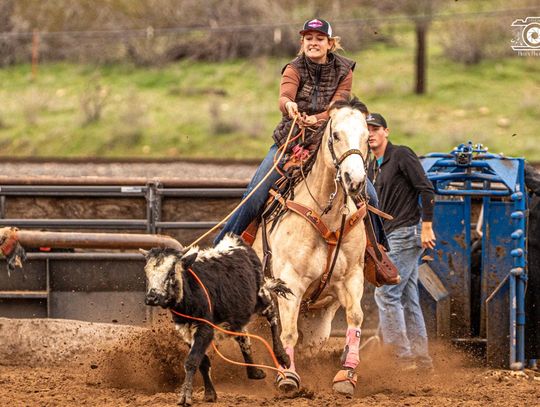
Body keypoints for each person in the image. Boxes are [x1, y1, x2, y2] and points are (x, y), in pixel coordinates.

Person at [215, 18, 380, 244]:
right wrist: (289, 106)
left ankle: (378, 253)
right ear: (302, 42)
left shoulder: (344, 70)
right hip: (290, 142)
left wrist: (317, 118)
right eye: (308, 39)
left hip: (327, 143)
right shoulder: (293, 68)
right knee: (255, 194)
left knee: (371, 195)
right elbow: (285, 97)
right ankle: (223, 245)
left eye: (320, 39)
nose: (314, 43)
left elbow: (339, 106)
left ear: (330, 44)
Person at [366, 112, 436, 371]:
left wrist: (426, 227)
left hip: (407, 233)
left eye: (376, 128)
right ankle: (422, 360)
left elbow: (426, 189)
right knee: (407, 297)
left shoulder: (401, 155)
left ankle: (401, 359)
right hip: (390, 237)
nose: (371, 133)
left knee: (386, 292)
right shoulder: (372, 166)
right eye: (368, 130)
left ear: (387, 131)